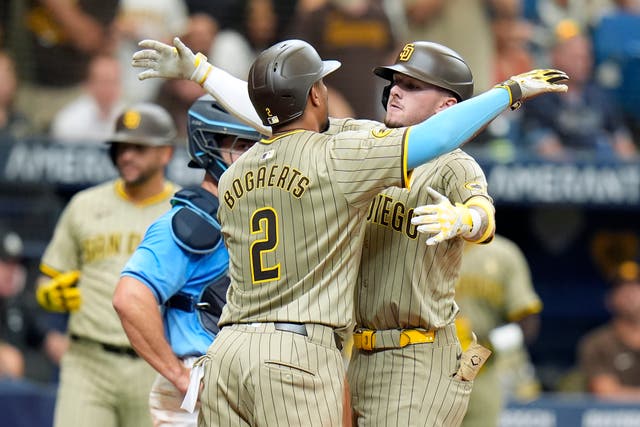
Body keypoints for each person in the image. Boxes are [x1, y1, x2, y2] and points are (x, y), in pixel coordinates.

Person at [131, 37, 568, 425]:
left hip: (413, 350)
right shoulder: (355, 143)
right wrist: (203, 73)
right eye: (394, 81)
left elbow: (483, 213)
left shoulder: (454, 164)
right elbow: (285, 116)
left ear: (446, 106)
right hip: (343, 350)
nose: (395, 89)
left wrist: (464, 220)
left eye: (412, 86)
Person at [112, 95, 261, 426]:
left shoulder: (252, 215)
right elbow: (129, 298)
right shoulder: (190, 222)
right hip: (198, 384)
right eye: (242, 145)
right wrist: (179, 376)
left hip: (242, 381)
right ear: (210, 145)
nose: (254, 156)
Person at [35, 102, 179, 427]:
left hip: (155, 362)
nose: (127, 156)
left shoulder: (182, 211)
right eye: (120, 147)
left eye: (139, 148)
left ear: (166, 153)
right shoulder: (84, 205)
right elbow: (49, 276)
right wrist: (49, 295)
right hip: (89, 362)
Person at [455, 234, 543, 427]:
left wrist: (481, 350)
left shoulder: (503, 253)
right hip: (431, 365)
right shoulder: (421, 247)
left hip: (488, 368)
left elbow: (528, 322)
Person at [577, 260, 640, 401]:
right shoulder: (597, 343)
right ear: (609, 299)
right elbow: (605, 393)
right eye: (622, 288)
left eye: (636, 287)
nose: (630, 294)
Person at [50, 54, 125, 144]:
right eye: (105, 82)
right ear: (89, 84)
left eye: (115, 82)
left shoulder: (128, 116)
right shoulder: (69, 120)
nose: (110, 88)